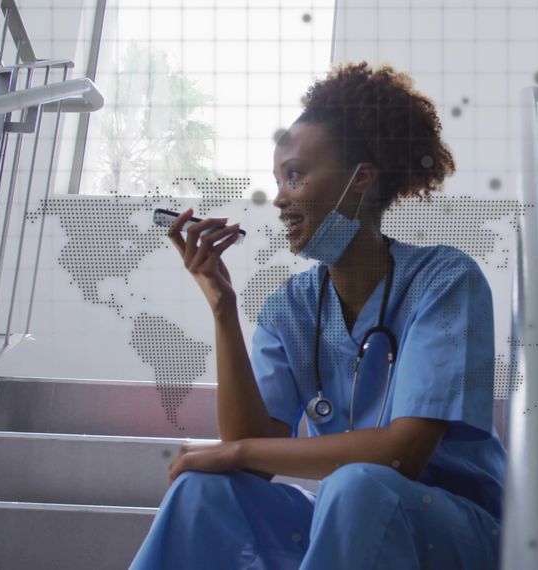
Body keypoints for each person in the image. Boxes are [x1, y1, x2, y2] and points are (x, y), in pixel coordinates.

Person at [131, 62, 505, 569]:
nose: (280, 199)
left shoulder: (444, 280)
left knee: (358, 486)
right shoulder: (291, 306)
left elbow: (403, 454)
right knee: (204, 489)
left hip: (453, 532)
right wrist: (222, 308)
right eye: (278, 181)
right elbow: (254, 454)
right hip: (344, 519)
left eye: (295, 175)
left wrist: (239, 453)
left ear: (361, 181)